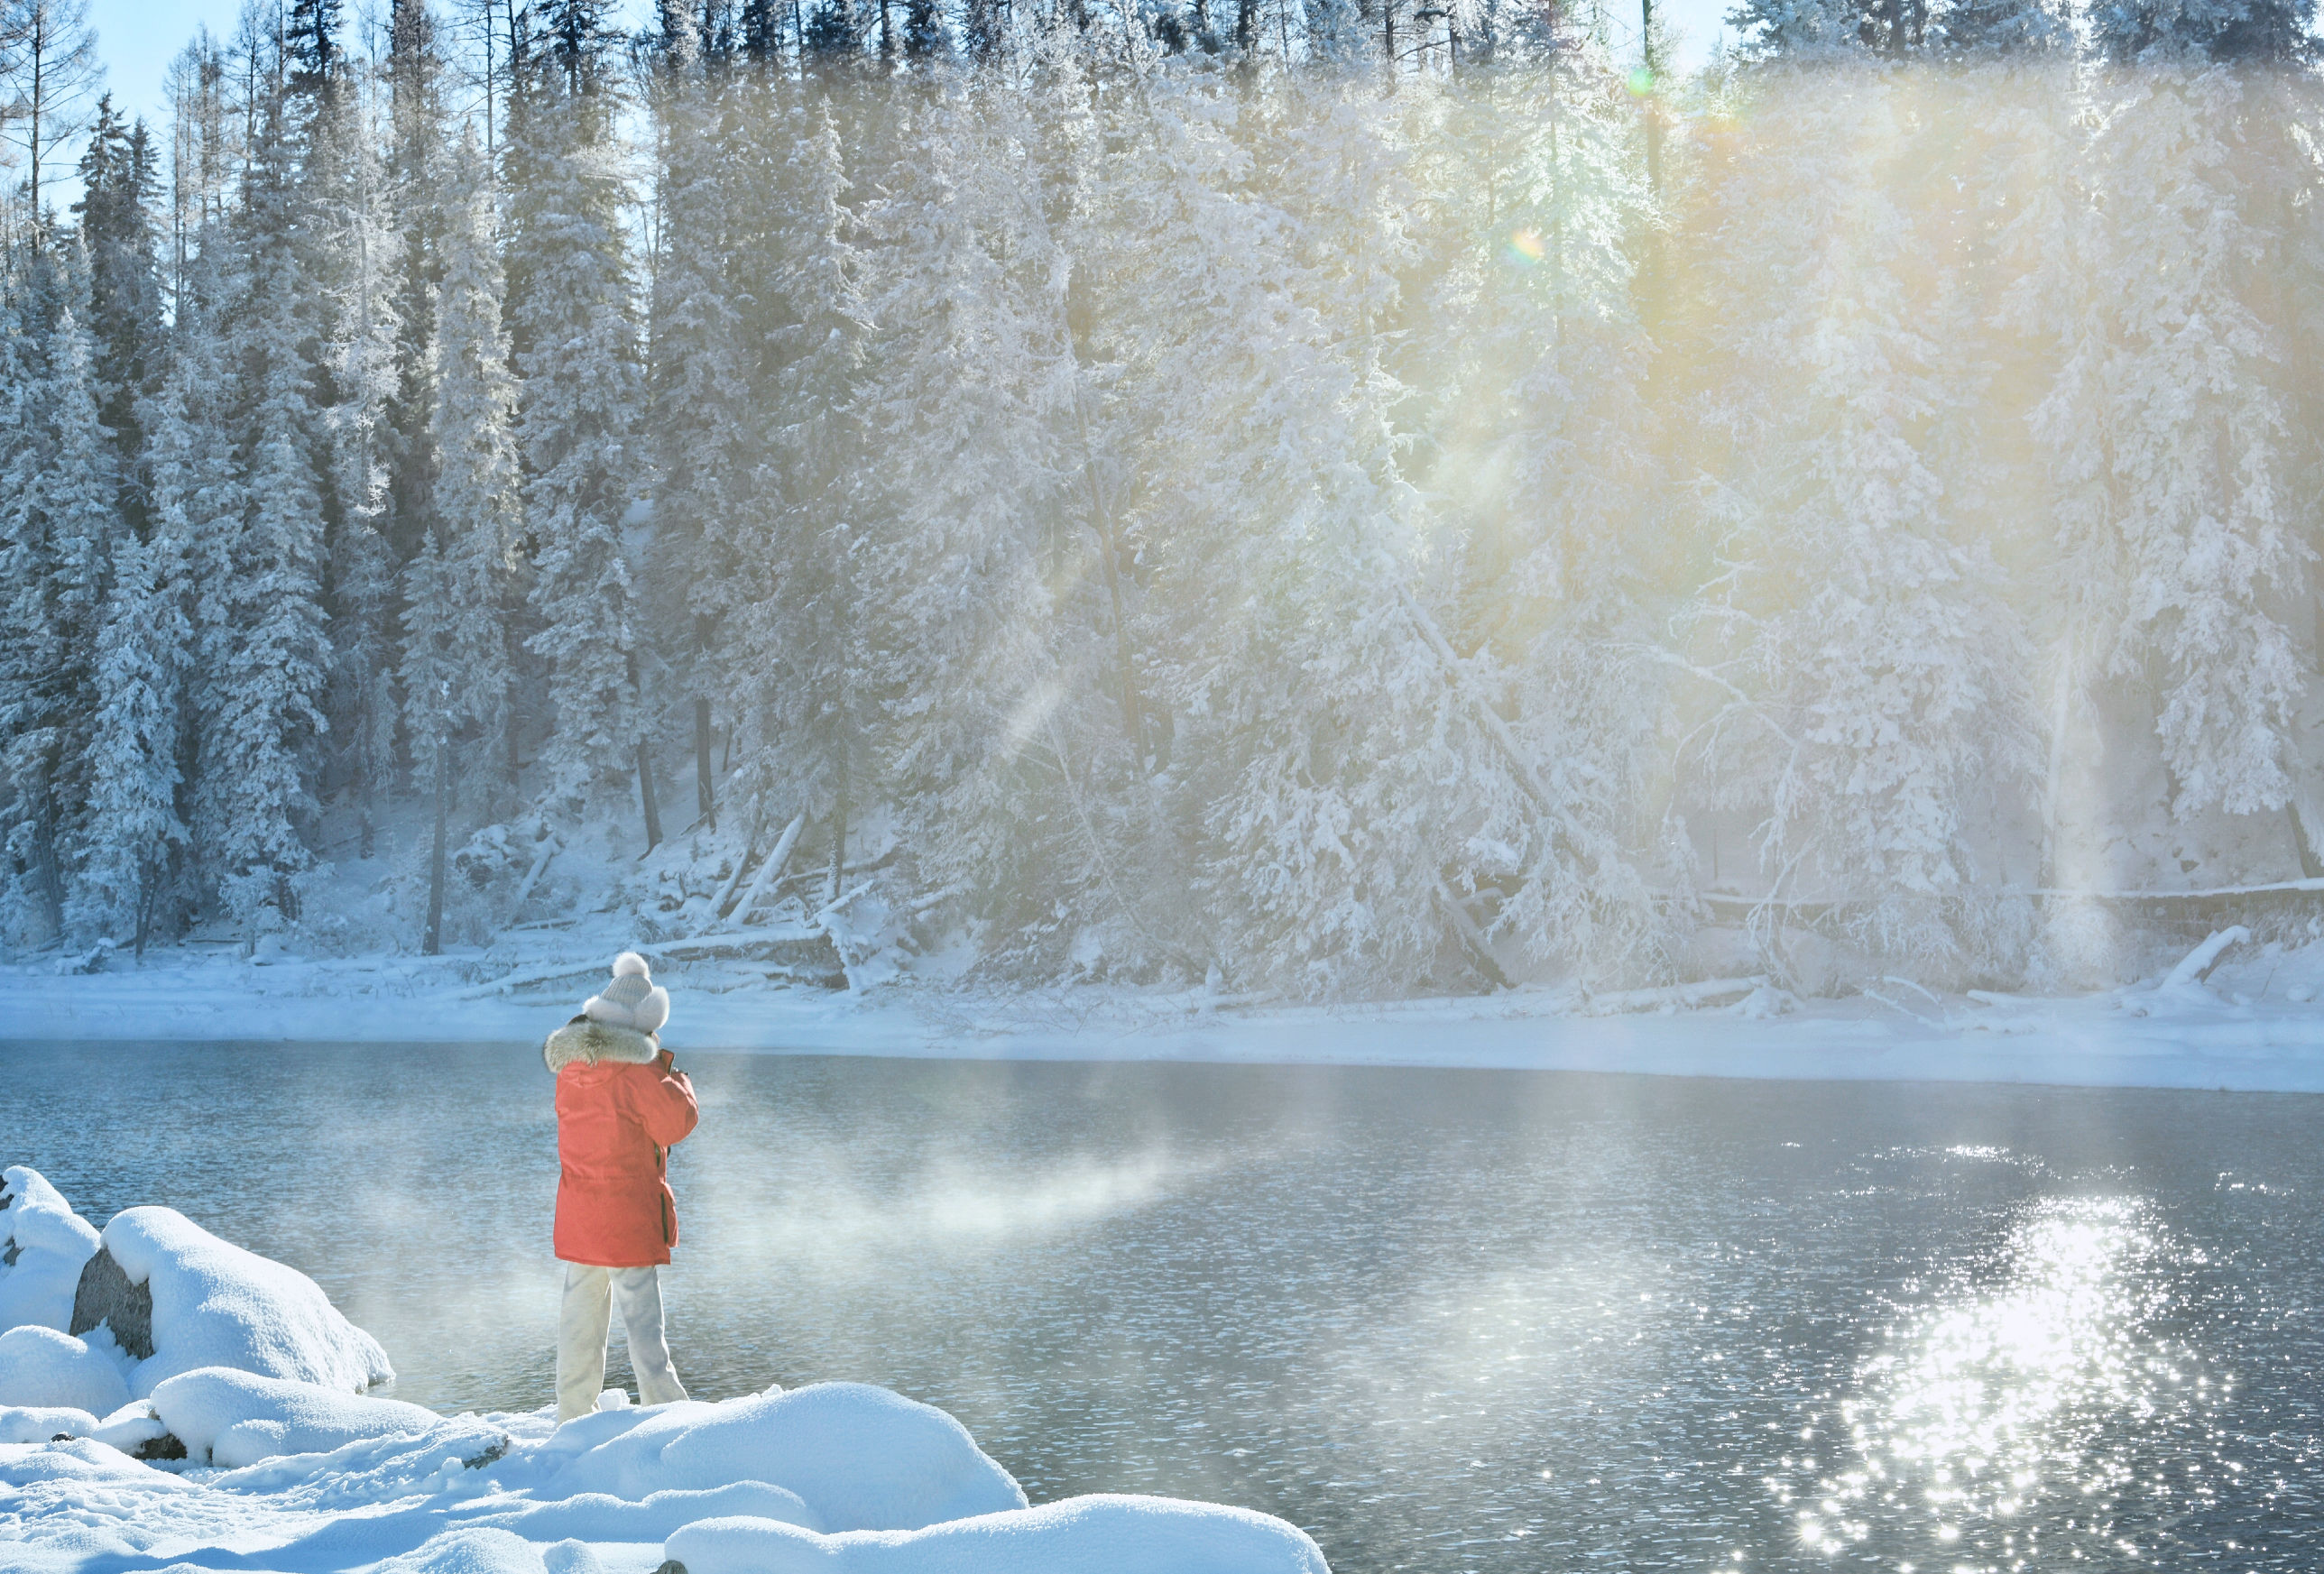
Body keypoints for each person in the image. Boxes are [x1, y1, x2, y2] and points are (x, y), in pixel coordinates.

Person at [543, 951, 699, 1423]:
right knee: (644, 1323)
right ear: (644, 1024)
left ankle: (572, 1412)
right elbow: (677, 1122)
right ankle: (667, 1411)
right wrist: (676, 1078)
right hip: (626, 1217)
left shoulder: (572, 1068)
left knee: (579, 1321)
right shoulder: (638, 1072)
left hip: (579, 1215)